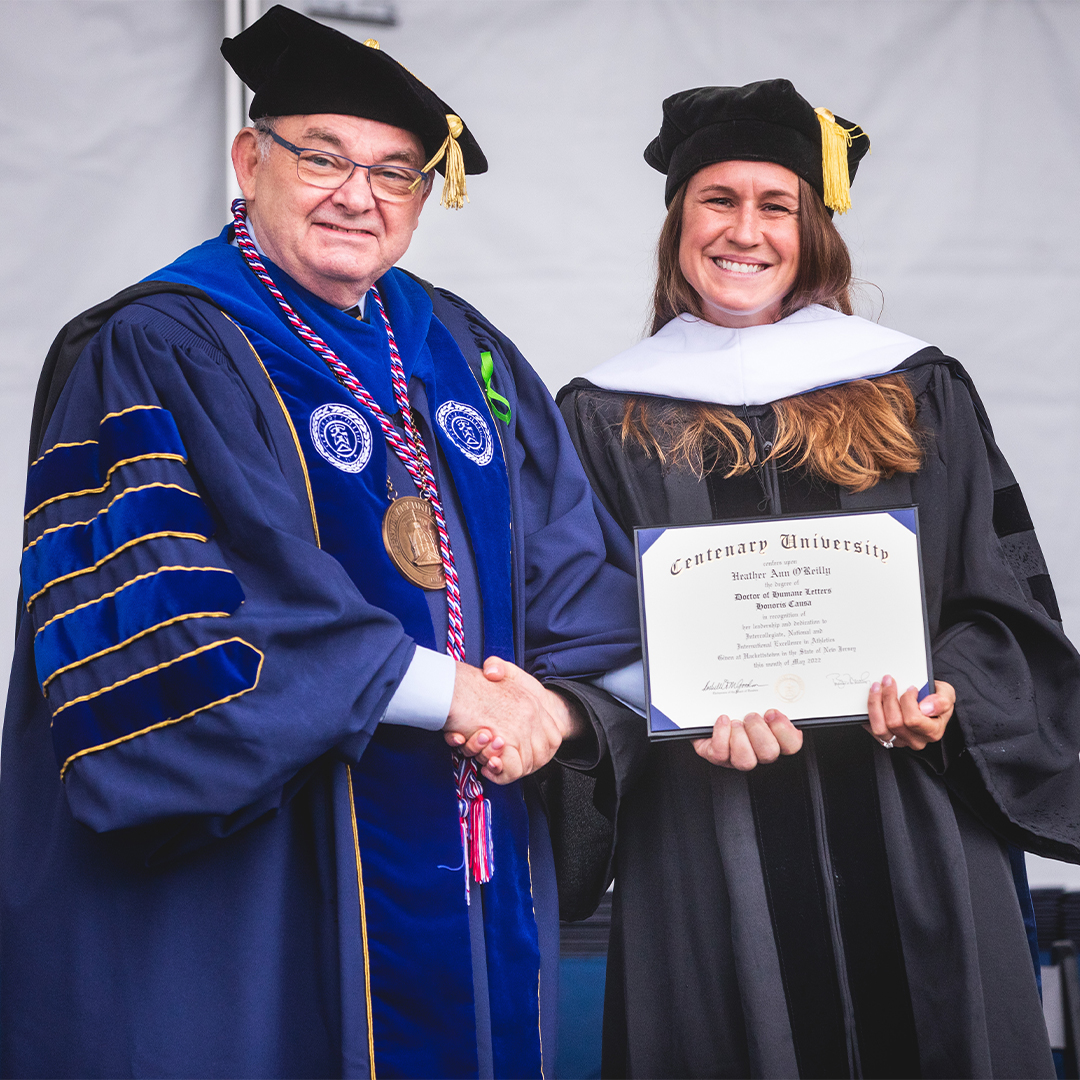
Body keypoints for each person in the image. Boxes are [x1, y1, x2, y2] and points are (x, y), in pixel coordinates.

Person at [0, 8, 640, 1078]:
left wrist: (554, 708)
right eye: (324, 156)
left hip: (463, 869)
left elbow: (575, 577)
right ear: (250, 159)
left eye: (395, 173)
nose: (359, 194)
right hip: (256, 897)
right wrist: (455, 695)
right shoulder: (159, 344)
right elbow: (173, 622)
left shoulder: (463, 351)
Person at [552, 79, 1080, 1078]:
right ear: (677, 223)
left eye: (776, 204)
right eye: (717, 199)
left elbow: (996, 597)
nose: (743, 230)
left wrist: (951, 700)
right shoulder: (601, 413)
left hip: (912, 814)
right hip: (709, 832)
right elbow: (583, 632)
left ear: (815, 231)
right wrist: (676, 705)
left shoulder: (914, 388)